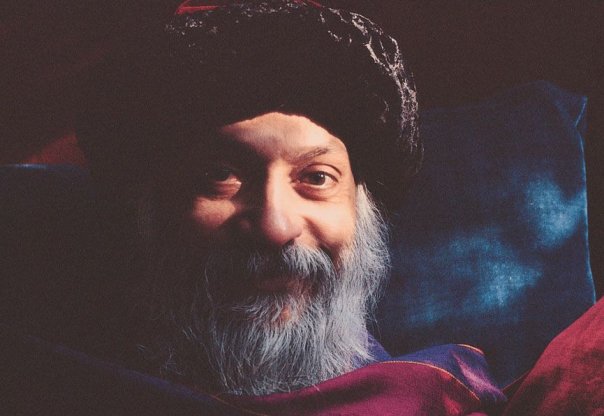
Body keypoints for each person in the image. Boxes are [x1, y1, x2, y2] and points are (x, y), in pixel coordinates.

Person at [4, 1, 507, 414]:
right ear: (150, 212)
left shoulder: (439, 398)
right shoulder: (42, 387)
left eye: (316, 178)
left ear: (363, 215)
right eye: (220, 175)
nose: (273, 225)